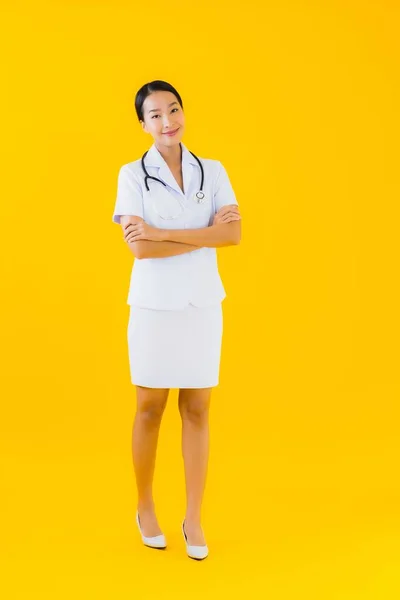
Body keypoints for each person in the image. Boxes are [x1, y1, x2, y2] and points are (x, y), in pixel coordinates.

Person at [112, 80, 241, 560]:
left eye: (174, 109)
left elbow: (234, 236)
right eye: (156, 115)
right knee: (150, 408)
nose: (169, 121)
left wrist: (165, 230)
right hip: (153, 307)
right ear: (143, 125)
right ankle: (145, 506)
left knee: (198, 410)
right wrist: (204, 232)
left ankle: (193, 517)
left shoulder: (213, 171)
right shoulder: (131, 175)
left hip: (202, 306)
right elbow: (140, 249)